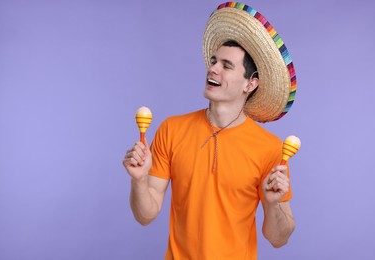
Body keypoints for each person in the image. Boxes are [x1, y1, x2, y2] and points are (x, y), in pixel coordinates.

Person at [123, 2, 298, 259]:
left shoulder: (270, 148)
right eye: (214, 61)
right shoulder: (172, 129)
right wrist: (138, 180)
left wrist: (273, 205)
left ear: (250, 84)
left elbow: (278, 238)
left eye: (226, 66)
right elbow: (145, 215)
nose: (212, 68)